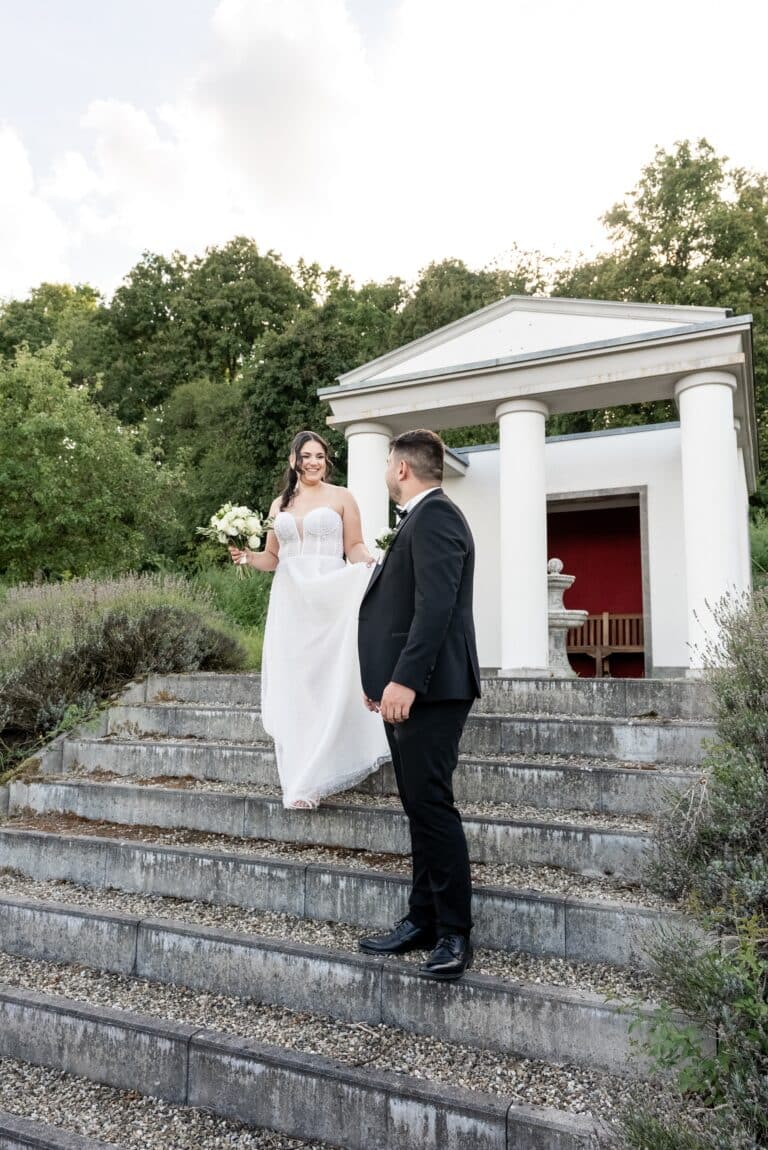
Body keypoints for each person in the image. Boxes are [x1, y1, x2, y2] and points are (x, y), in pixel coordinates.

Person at [357, 429, 481, 982]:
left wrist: (404, 681)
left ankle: (454, 931)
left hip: (434, 689)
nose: (386, 470)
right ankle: (423, 919)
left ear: (402, 468)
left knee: (431, 805)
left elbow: (435, 610)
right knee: (417, 806)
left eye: (388, 462)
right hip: (411, 689)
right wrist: (383, 680)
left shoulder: (437, 518)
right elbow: (404, 609)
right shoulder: (421, 518)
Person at [230, 430, 389, 809]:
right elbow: (273, 557)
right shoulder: (278, 505)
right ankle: (302, 778)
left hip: (330, 594)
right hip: (291, 597)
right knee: (296, 681)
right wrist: (247, 558)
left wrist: (368, 560)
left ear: (326, 460)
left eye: (319, 456)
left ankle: (328, 760)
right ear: (293, 461)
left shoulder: (342, 497)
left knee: (327, 676)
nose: (313, 462)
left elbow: (353, 545)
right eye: (306, 456)